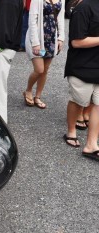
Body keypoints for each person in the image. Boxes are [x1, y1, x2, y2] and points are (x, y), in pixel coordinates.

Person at [63, 0, 99, 161]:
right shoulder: (83, 8)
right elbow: (77, 42)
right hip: (81, 67)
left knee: (98, 105)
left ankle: (91, 144)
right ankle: (71, 131)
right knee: (78, 102)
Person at [22, 0, 65, 109]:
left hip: (51, 40)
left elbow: (60, 18)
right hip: (39, 40)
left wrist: (61, 38)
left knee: (45, 69)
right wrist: (35, 43)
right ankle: (28, 90)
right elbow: (32, 21)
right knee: (39, 69)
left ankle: (38, 96)